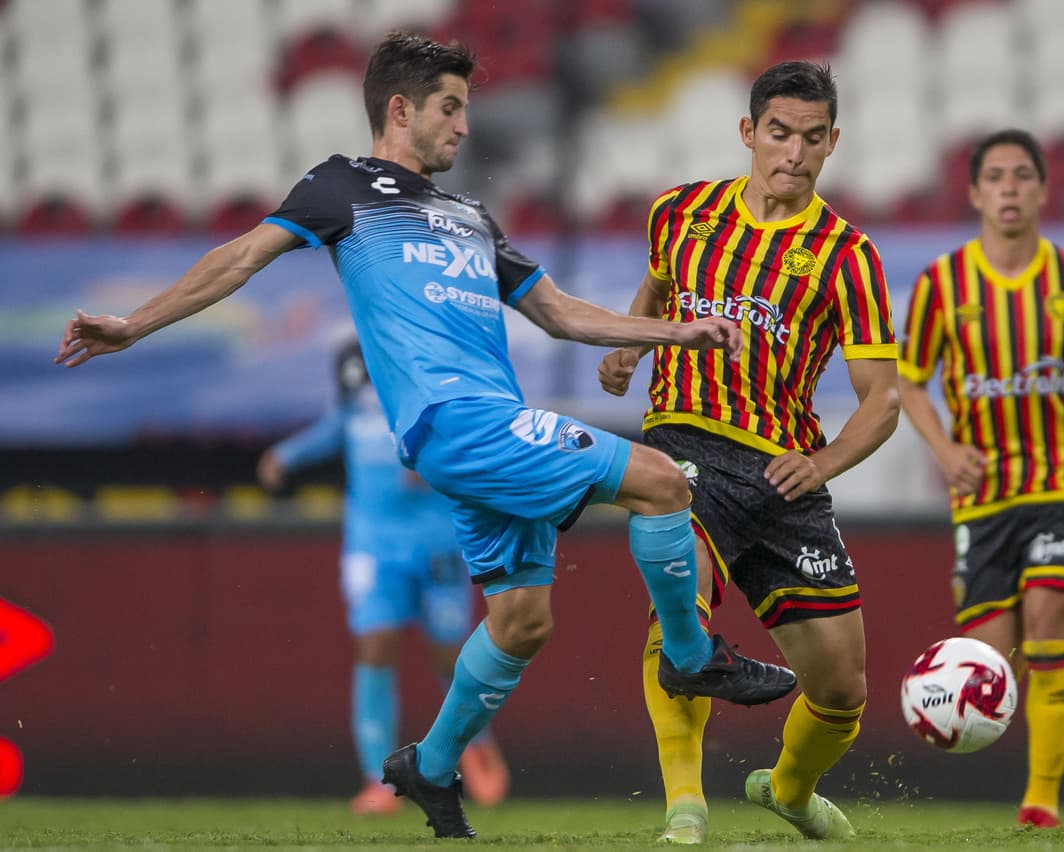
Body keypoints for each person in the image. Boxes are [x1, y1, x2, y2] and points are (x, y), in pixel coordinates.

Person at [54, 32, 798, 840]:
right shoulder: (342, 186)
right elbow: (238, 260)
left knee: (522, 621)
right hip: (456, 421)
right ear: (401, 108)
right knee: (663, 481)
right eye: (451, 108)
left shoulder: (472, 216)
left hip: (487, 427)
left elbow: (558, 312)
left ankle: (431, 766)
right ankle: (691, 659)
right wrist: (134, 325)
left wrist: (674, 333)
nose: (464, 128)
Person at [598, 61, 901, 843]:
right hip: (685, 442)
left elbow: (884, 401)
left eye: (811, 137)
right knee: (681, 615)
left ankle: (788, 792)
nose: (793, 153)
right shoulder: (681, 212)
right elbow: (660, 289)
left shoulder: (848, 257)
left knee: (841, 689)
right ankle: (685, 807)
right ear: (748, 133)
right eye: (778, 133)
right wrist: (633, 348)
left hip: (785, 471)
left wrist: (824, 463)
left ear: (833, 143)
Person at [896, 128, 1064, 829]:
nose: (1008, 187)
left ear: (1041, 189)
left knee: (1049, 624)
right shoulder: (944, 285)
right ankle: (977, 729)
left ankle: (1040, 803)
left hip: (1062, 481)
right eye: (995, 176)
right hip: (982, 493)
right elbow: (911, 386)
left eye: (1021, 175)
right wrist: (945, 451)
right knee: (991, 660)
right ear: (974, 192)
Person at [257, 337, 508, 813]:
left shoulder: (432, 390)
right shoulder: (354, 389)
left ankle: (474, 748)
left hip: (438, 545)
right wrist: (283, 456)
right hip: (374, 548)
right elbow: (333, 429)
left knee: (450, 655)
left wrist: (432, 465)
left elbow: (469, 447)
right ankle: (378, 779)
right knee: (375, 646)